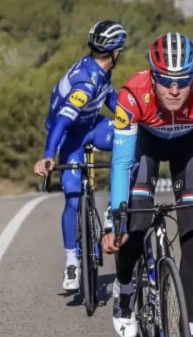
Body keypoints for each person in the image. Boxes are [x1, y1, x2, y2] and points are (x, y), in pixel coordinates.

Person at [100, 32, 193, 337]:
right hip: (146, 145)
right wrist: (119, 217)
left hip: (190, 147)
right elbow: (120, 163)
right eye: (165, 80)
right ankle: (126, 287)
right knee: (137, 221)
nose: (174, 90)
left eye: (182, 81)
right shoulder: (132, 95)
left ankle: (189, 332)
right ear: (152, 75)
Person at [34, 20, 127, 291]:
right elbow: (63, 121)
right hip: (69, 136)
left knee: (129, 141)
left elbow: (111, 100)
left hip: (91, 125)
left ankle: (114, 207)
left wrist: (138, 119)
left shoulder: (100, 69)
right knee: (73, 198)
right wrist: (49, 155)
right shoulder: (85, 82)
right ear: (116, 52)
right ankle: (72, 261)